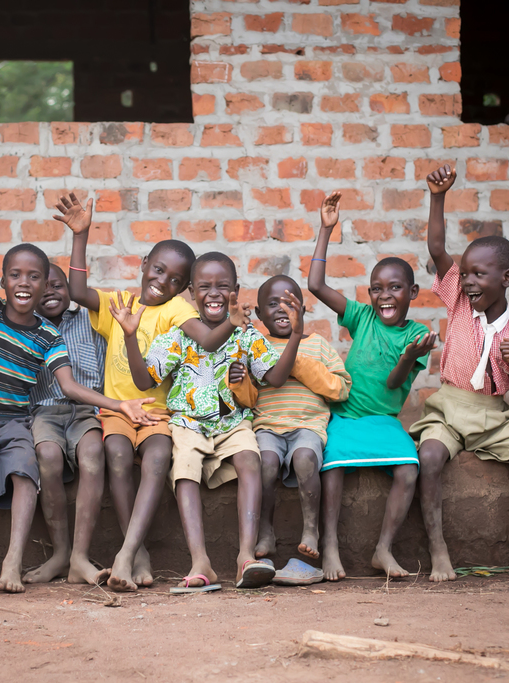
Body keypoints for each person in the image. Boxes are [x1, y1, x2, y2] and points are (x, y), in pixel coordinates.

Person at [0, 194, 156, 594]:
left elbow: (69, 386)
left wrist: (119, 404)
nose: (26, 284)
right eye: (16, 275)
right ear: (4, 277)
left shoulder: (51, 335)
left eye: (37, 277)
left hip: (27, 420)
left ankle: (41, 559)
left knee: (64, 459)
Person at [56, 192, 253, 591]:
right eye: (158, 270)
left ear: (184, 289)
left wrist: (231, 323)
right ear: (144, 265)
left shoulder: (177, 311)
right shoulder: (119, 303)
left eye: (175, 280)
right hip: (116, 411)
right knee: (116, 453)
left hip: (159, 412)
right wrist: (81, 235)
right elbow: (77, 291)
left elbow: (210, 341)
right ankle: (138, 551)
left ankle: (126, 553)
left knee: (159, 454)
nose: (162, 282)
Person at [112, 252, 304, 591]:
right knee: (184, 468)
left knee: (250, 458)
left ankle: (245, 556)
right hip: (187, 423)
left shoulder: (246, 335)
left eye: (223, 286)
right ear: (190, 292)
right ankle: (200, 560)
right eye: (204, 286)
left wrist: (296, 335)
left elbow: (274, 377)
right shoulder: (177, 336)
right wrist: (130, 335)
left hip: (233, 422)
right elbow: (144, 381)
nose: (214, 293)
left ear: (236, 290)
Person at [408, 165, 509, 581]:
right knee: (430, 457)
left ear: (507, 278)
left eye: (480, 274)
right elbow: (438, 248)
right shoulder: (458, 300)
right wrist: (437, 196)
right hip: (450, 407)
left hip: (495, 416)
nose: (470, 281)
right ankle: (438, 549)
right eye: (467, 273)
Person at [307, 192, 436, 581]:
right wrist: (326, 230)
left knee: (409, 469)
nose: (384, 296)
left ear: (412, 293)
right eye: (377, 288)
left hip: (383, 419)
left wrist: (408, 356)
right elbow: (315, 285)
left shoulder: (418, 334)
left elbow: (395, 383)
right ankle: (329, 546)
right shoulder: (361, 316)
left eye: (395, 288)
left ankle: (383, 548)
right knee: (331, 467)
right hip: (345, 414)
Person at [251, 274, 352, 565]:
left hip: (308, 426)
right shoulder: (257, 346)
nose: (282, 310)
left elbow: (341, 388)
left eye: (290, 303)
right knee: (266, 462)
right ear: (259, 314)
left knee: (306, 457)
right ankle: (265, 531)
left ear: (304, 311)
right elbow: (247, 393)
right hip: (267, 426)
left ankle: (311, 530)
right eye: (272, 304)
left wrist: (297, 365)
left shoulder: (317, 345)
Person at [23, 264, 108, 586]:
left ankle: (79, 557)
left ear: (70, 290)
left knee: (91, 454)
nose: (50, 293)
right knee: (47, 455)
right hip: (45, 412)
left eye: (57, 286)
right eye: (43, 287)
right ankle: (60, 553)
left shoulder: (89, 321)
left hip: (87, 410)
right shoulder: (28, 327)